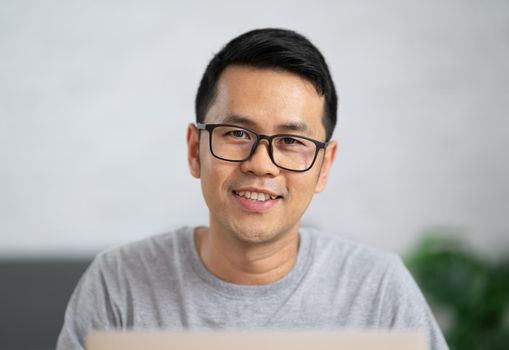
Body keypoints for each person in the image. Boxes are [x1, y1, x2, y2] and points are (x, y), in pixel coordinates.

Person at [56, 28, 448, 350]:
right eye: (237, 133)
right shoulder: (118, 284)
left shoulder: (377, 287)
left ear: (324, 166)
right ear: (195, 151)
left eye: (291, 141)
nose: (260, 164)